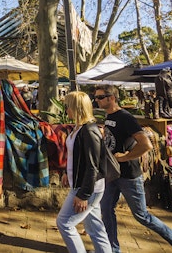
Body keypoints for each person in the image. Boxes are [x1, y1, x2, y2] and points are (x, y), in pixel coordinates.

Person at [95, 84, 172, 253]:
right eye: (96, 97)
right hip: (112, 174)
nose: (97, 100)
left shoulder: (125, 117)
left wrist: (124, 157)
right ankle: (111, 249)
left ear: (111, 98)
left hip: (129, 176)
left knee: (142, 216)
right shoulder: (108, 116)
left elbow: (145, 145)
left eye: (100, 97)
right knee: (106, 210)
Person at [56, 91, 111, 253]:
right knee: (94, 227)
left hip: (87, 188)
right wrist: (67, 172)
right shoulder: (79, 128)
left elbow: (92, 166)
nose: (66, 110)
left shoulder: (89, 131)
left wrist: (83, 195)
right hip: (83, 186)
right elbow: (76, 156)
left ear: (77, 108)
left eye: (68, 107)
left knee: (64, 223)